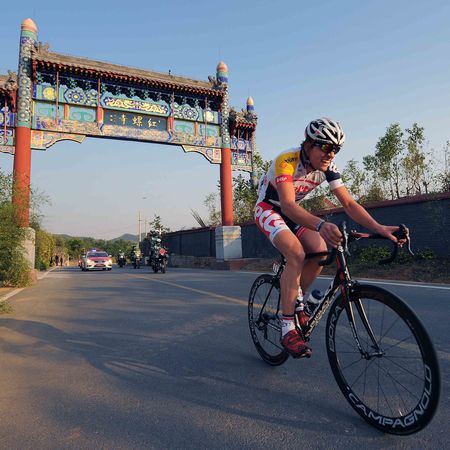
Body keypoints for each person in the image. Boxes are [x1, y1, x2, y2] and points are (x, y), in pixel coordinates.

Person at [255, 118, 400, 358]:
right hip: (269, 209)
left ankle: (296, 302)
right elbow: (287, 205)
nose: (330, 153)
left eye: (336, 149)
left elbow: (349, 204)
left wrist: (379, 227)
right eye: (325, 146)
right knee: (296, 253)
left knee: (320, 251)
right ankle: (287, 328)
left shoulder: (328, 168)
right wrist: (321, 224)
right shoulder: (287, 160)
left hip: (292, 213)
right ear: (308, 144)